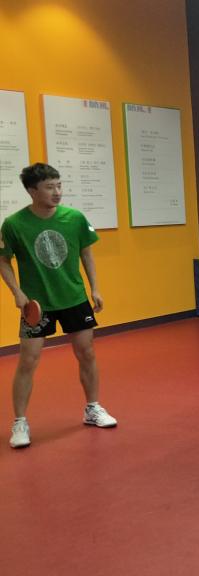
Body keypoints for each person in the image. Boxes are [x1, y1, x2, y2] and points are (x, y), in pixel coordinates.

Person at [0, 163, 117, 449]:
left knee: (87, 353)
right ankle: (20, 422)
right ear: (32, 191)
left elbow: (86, 254)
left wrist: (95, 288)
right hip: (37, 304)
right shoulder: (14, 224)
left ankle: (92, 408)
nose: (57, 192)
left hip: (74, 298)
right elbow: (3, 260)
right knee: (28, 360)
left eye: (59, 185)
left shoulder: (74, 218)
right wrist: (17, 293)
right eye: (49, 187)